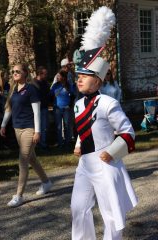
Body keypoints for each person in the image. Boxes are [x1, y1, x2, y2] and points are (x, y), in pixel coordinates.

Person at [71, 50, 138, 240]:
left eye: (85, 76)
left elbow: (128, 132)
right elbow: (84, 128)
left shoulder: (109, 103)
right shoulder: (77, 105)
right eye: (78, 76)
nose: (80, 79)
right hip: (85, 164)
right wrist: (78, 143)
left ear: (98, 81)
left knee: (110, 213)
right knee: (78, 208)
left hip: (105, 163)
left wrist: (112, 152)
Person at [0, 63, 52, 207]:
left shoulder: (31, 89)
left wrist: (37, 131)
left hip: (30, 129)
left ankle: (19, 195)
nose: (14, 73)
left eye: (17, 71)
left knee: (23, 160)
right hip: (17, 129)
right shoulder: (13, 89)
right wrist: (3, 124)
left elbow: (36, 112)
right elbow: (8, 109)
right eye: (13, 71)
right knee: (32, 159)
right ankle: (46, 182)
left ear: (25, 73)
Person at [50, 69, 75, 148]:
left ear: (64, 77)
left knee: (67, 125)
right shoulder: (55, 85)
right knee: (58, 126)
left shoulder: (68, 85)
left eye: (59, 76)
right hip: (57, 108)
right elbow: (50, 95)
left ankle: (67, 142)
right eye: (58, 76)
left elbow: (73, 96)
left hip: (66, 109)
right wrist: (52, 104)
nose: (58, 77)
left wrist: (70, 105)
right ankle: (60, 143)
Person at [35, 66, 50, 149]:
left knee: (44, 127)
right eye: (45, 74)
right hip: (36, 108)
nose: (46, 75)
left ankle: (43, 143)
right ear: (40, 74)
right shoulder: (33, 83)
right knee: (37, 127)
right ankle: (37, 143)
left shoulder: (45, 83)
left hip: (44, 107)